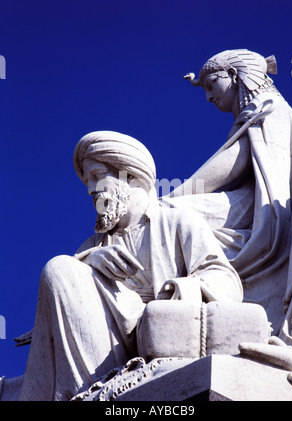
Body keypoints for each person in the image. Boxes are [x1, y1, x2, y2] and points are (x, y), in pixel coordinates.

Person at [16, 131, 242, 401]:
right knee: (60, 268)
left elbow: (225, 278)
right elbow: (67, 291)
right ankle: (88, 393)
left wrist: (181, 289)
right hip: (107, 344)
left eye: (98, 176)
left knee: (60, 267)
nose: (90, 190)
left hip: (160, 330)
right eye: (87, 181)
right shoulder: (94, 244)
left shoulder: (178, 222)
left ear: (128, 175)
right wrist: (90, 261)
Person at [161, 49, 292, 349]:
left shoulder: (267, 106)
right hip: (249, 203)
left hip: (263, 211)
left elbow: (231, 164)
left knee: (170, 216)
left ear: (233, 76)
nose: (208, 97)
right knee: (170, 218)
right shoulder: (265, 109)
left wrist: (169, 198)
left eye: (211, 85)